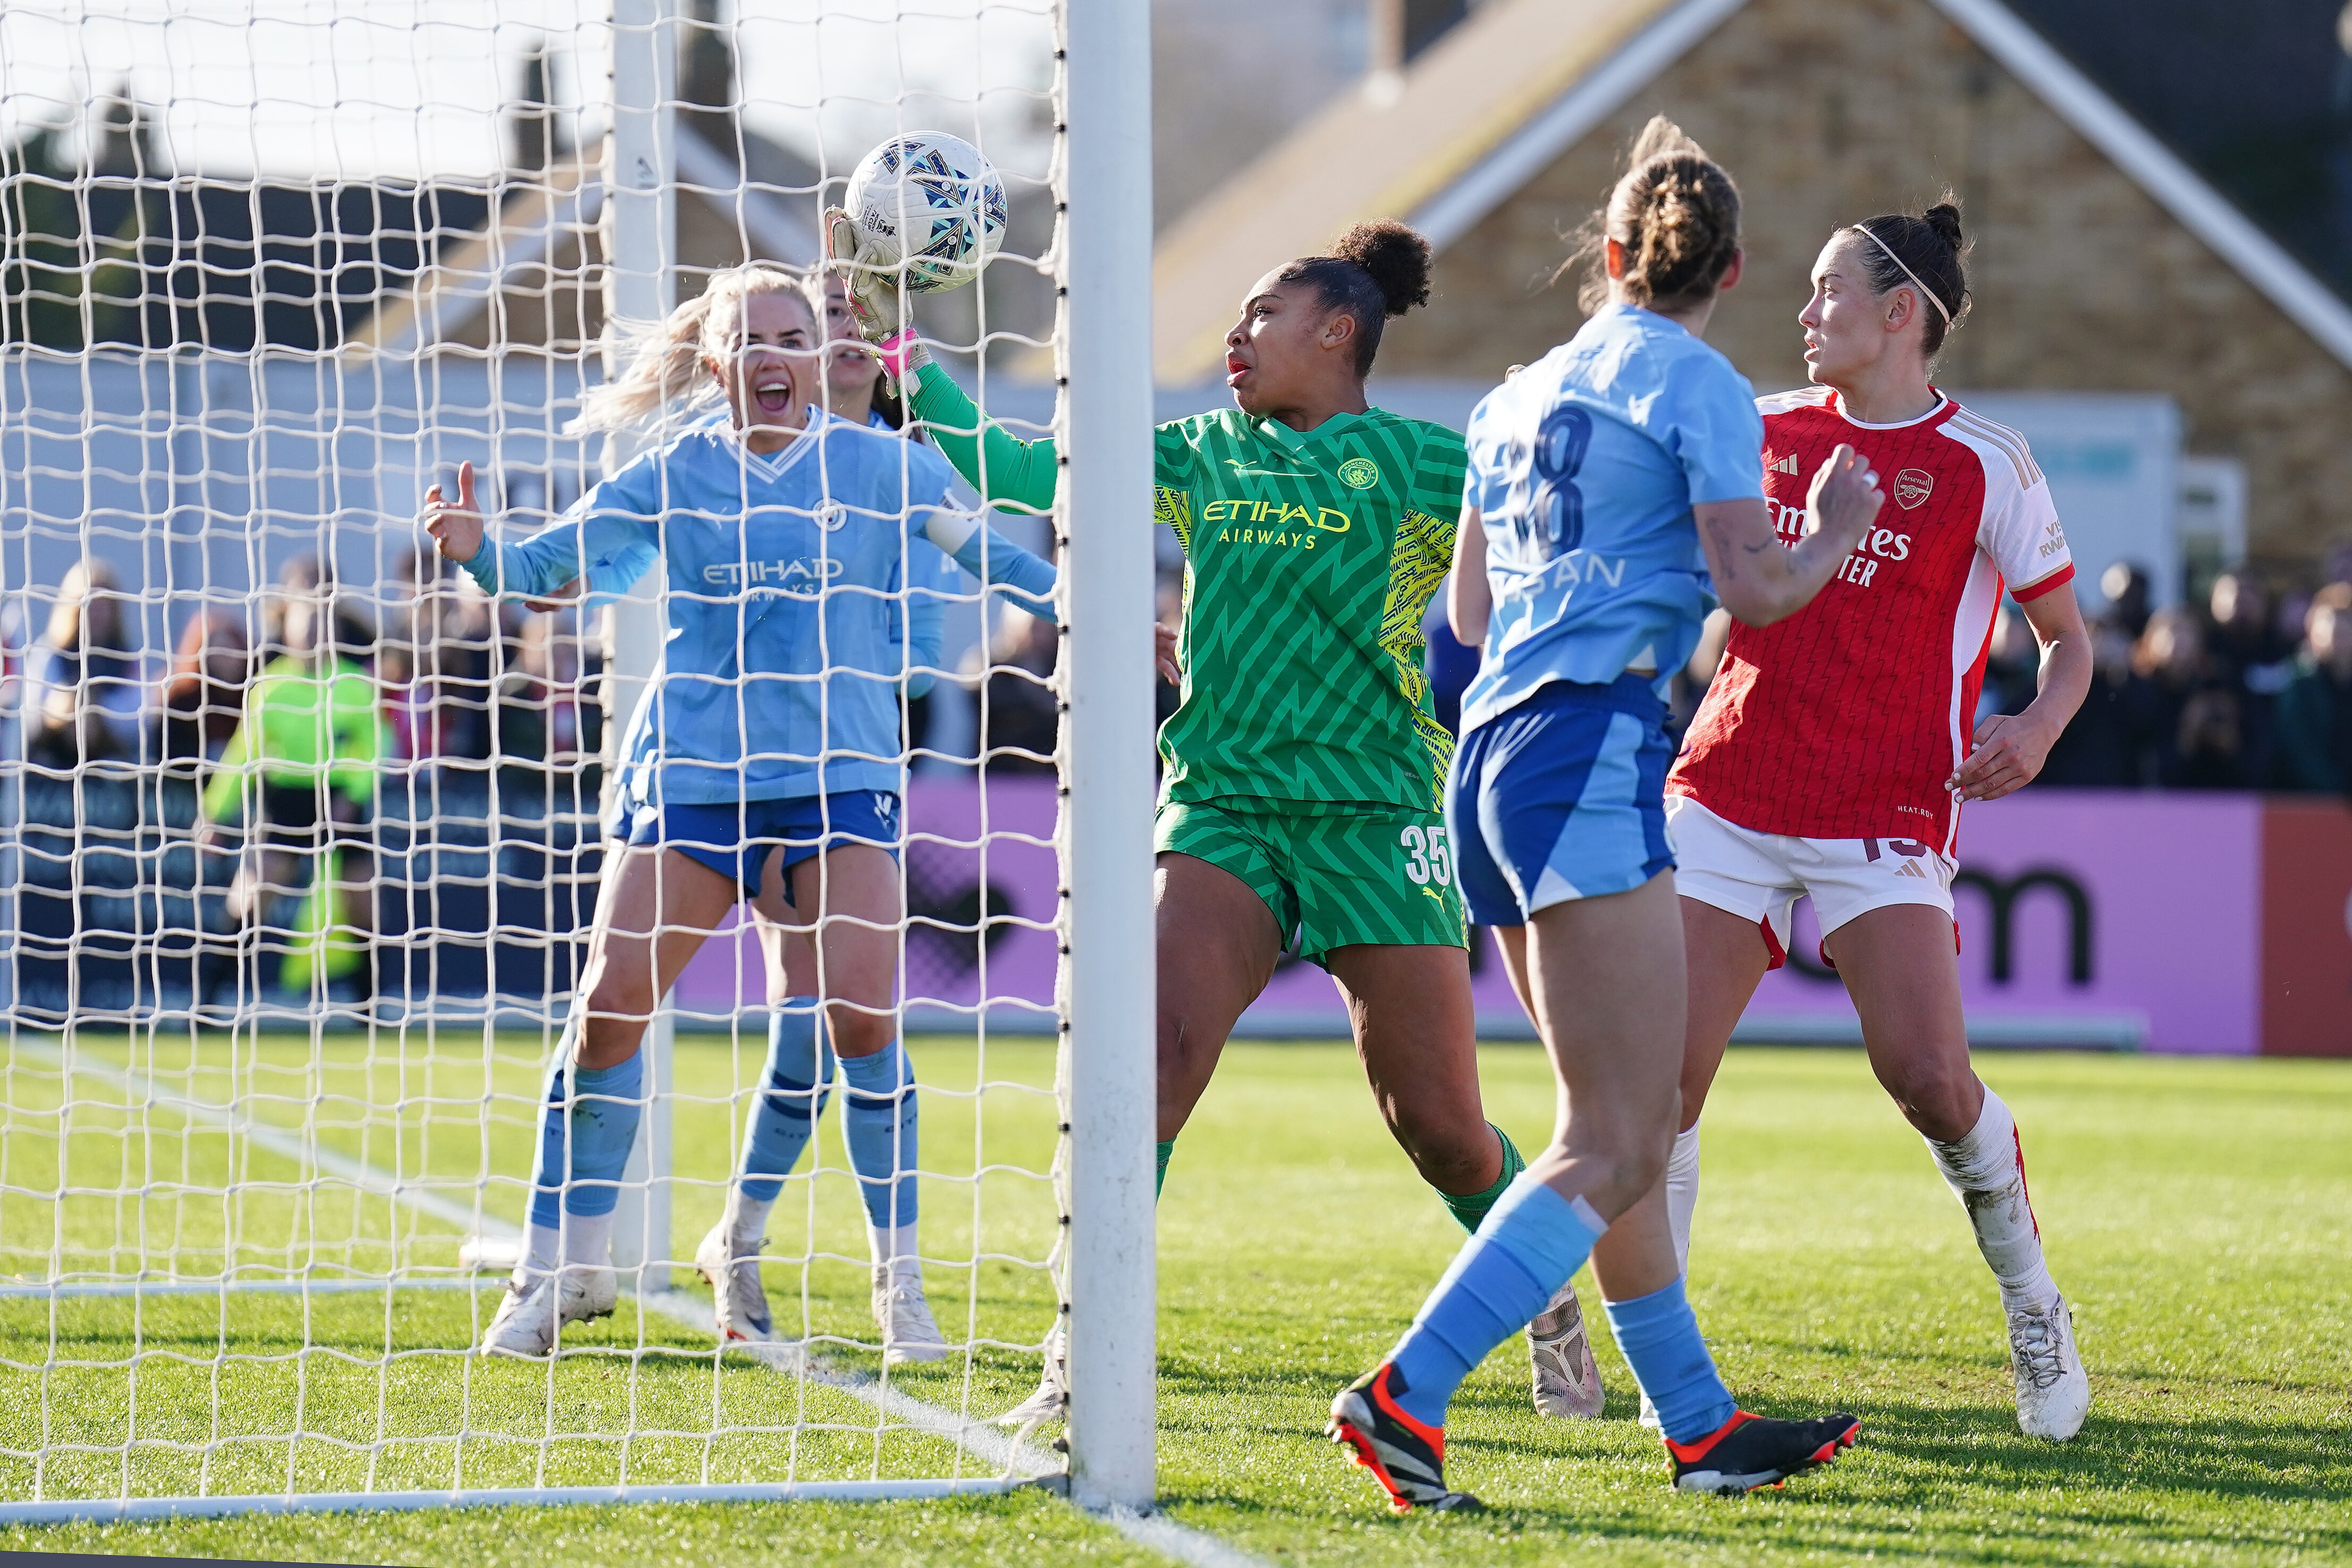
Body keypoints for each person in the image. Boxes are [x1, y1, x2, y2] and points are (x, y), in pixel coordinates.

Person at [833, 214, 1554, 1423]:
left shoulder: (1430, 465)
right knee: (1143, 1071)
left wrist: (1559, 420)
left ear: (1337, 332)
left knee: (1441, 1129)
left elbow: (1561, 529)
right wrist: (904, 352)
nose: (1235, 335)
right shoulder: (1203, 450)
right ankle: (1081, 1357)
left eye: (1261, 314)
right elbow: (1018, 468)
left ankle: (1548, 1303)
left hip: (1379, 815)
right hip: (1223, 805)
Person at [1325, 119, 1874, 1511]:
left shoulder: (1510, 396)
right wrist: (1835, 526)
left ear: (1610, 255)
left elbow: (1457, 637)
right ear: (1733, 267)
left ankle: (1695, 1419)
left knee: (1604, 1123)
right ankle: (1404, 1390)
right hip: (1585, 739)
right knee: (1622, 1135)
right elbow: (1753, 589)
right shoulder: (1700, 384)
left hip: (1494, 752)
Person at [423, 262, 1055, 1360]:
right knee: (605, 1010)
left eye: (790, 335)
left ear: (817, 356)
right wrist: (476, 548)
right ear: (713, 361)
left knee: (861, 1023)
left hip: (841, 780)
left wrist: (1089, 609)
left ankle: (897, 1289)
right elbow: (538, 569)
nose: (772, 353)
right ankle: (553, 1274)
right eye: (748, 338)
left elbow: (1002, 559)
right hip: (696, 780)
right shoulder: (670, 473)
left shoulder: (888, 469)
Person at [1645, 196, 2094, 1444]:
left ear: (1901, 315)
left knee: (1931, 1081)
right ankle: (1674, 1373)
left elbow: (2070, 648)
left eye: (1827, 292)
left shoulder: (1985, 464)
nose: (1803, 314)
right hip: (1726, 790)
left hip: (1890, 807)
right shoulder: (1761, 426)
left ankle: (2033, 1302)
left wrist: (2037, 728)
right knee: (1661, 1084)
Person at [709, 270, 976, 1366]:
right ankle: (743, 1237)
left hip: (878, 743)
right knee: (813, 1017)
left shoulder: (925, 469)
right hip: (772, 757)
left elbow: (968, 571)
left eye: (872, 329)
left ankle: (878, 1274)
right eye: (835, 329)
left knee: (861, 1018)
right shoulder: (756, 467)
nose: (856, 342)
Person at [199, 572, 385, 1003]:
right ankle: (205, 1001)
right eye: (308, 621)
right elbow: (242, 754)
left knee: (363, 904)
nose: (315, 631)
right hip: (287, 802)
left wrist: (352, 795)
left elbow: (376, 746)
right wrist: (212, 814)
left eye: (324, 622)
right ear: (288, 625)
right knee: (250, 899)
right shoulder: (270, 687)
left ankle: (369, 1008)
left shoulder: (356, 686)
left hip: (341, 801)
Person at [25, 559, 151, 770]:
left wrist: (96, 710)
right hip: (53, 755)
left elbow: (139, 718)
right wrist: (66, 706)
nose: (96, 612)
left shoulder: (128, 659)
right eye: (89, 604)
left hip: (113, 759)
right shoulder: (49, 652)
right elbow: (32, 710)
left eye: (104, 605)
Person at [156, 609, 253, 779]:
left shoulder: (255, 696)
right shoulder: (183, 702)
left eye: (230, 649)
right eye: (216, 651)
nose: (225, 658)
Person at [2276, 583, 2352, 793]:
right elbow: (2298, 749)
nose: (2337, 637)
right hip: (2311, 804)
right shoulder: (2298, 684)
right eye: (2330, 629)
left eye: (2345, 629)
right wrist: (2337, 789)